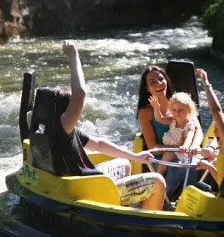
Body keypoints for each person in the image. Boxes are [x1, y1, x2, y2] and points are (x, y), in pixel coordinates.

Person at [56, 41, 166, 210]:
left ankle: (123, 204)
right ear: (66, 112)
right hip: (87, 191)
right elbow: (80, 93)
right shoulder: (64, 128)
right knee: (158, 181)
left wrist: (135, 156)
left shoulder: (66, 130)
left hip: (89, 181)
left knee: (125, 163)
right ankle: (145, 219)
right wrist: (73, 54)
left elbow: (99, 144)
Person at [137, 66, 203, 199]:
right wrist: (177, 149)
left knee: (200, 164)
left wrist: (193, 146)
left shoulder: (180, 103)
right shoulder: (146, 112)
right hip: (161, 158)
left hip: (186, 153)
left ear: (166, 81)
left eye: (161, 79)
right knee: (182, 167)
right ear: (147, 88)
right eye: (152, 82)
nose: (158, 84)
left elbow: (197, 131)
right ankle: (158, 199)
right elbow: (153, 147)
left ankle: (191, 199)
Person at [195, 68, 224, 186]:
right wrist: (210, 167)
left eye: (218, 129)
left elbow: (216, 111)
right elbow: (222, 183)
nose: (215, 134)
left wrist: (206, 84)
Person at [148, 92, 202, 176]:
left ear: (188, 110)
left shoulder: (190, 125)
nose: (177, 113)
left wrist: (185, 146)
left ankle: (158, 176)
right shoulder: (173, 120)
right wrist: (156, 108)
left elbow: (189, 137)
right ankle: (158, 178)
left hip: (182, 151)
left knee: (165, 159)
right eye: (174, 110)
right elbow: (159, 119)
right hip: (174, 149)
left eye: (181, 110)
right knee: (166, 157)